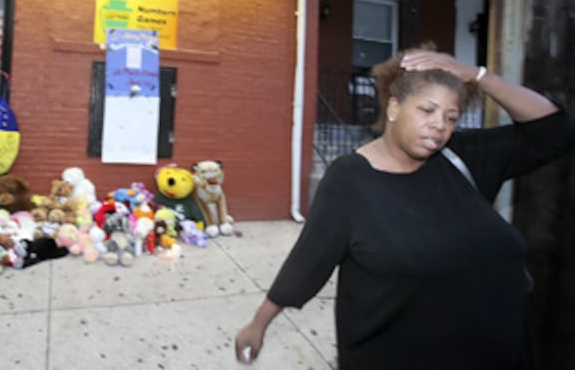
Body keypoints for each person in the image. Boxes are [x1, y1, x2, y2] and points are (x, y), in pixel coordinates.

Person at [235, 48, 575, 370]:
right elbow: (309, 260)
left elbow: (556, 131)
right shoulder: (350, 180)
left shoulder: (461, 157)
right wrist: (259, 323)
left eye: (450, 117)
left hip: (501, 355)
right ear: (394, 108)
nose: (439, 125)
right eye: (426, 110)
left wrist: (478, 75)